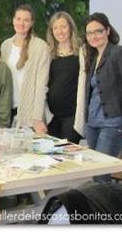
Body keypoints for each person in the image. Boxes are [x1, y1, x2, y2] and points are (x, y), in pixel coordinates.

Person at [83, 13, 122, 181]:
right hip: (92, 124)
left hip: (112, 124)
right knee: (96, 173)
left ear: (107, 30)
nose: (93, 36)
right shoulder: (93, 56)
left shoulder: (120, 53)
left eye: (98, 31)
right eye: (89, 33)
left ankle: (108, 208)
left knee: (101, 173)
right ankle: (102, 206)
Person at [1, 4, 52, 134]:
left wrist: (37, 118)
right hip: (8, 111)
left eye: (26, 20)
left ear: (32, 23)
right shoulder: (5, 46)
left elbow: (42, 85)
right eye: (18, 19)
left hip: (30, 114)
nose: (21, 23)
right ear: (13, 20)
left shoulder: (40, 47)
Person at [45, 11, 82, 144]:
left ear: (71, 28)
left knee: (67, 155)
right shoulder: (48, 54)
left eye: (63, 27)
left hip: (72, 116)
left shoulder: (82, 53)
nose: (59, 31)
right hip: (51, 116)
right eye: (55, 28)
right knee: (52, 156)